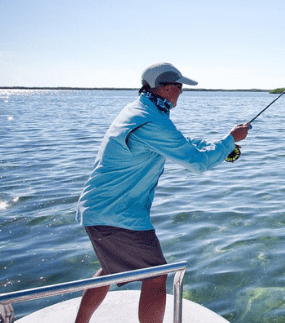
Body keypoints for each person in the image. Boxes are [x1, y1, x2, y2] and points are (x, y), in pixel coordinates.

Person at [74, 62, 249, 323]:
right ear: (165, 88)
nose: (181, 91)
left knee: (111, 270)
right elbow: (197, 162)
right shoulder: (151, 121)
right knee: (156, 274)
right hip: (116, 214)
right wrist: (230, 141)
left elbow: (181, 143)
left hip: (100, 210)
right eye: (179, 86)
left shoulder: (140, 111)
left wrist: (222, 144)